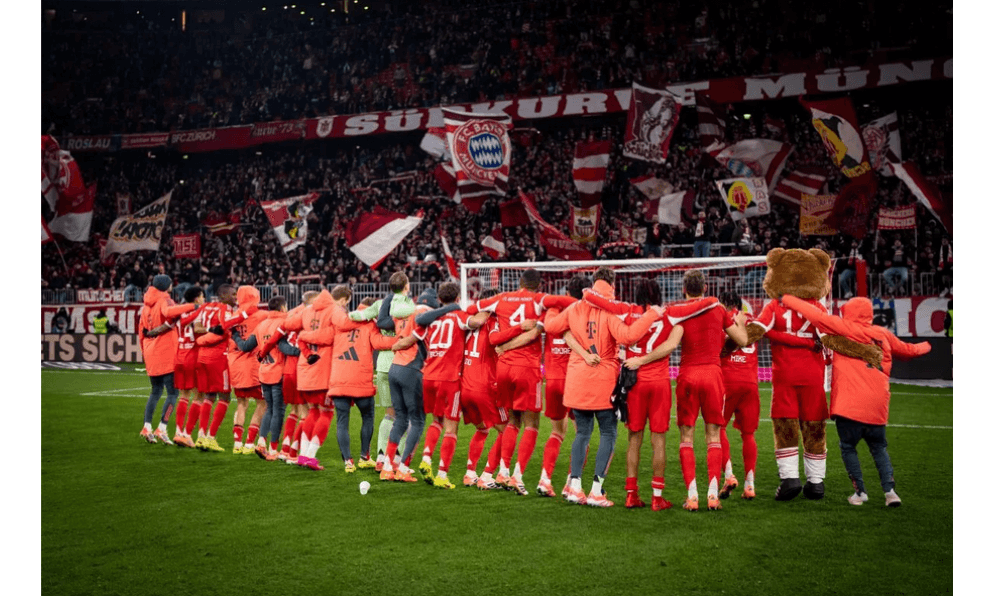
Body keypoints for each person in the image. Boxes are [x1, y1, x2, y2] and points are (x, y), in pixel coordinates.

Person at [781, 294, 931, 507]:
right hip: (878, 406)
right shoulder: (883, 334)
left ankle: (860, 493)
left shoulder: (842, 327)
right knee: (879, 448)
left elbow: (814, 315)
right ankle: (890, 493)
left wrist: (786, 298)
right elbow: (909, 351)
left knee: (848, 447)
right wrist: (927, 345)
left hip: (848, 405)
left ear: (848, 311)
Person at [589, 279, 719, 509]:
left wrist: (588, 292)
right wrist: (703, 297)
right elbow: (709, 302)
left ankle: (631, 495)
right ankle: (657, 498)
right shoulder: (668, 313)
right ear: (658, 294)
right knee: (658, 441)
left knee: (633, 440)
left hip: (634, 384)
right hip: (659, 383)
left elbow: (592, 298)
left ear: (637, 294)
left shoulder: (627, 311)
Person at [545, 266, 665, 507]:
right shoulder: (610, 312)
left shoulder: (574, 307)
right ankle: (596, 491)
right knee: (608, 433)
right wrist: (652, 314)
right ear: (612, 284)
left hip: (577, 379)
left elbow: (551, 328)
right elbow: (629, 336)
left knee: (581, 433)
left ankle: (574, 486)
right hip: (603, 380)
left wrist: (551, 308)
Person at [468, 269, 574, 495]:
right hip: (526, 368)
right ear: (539, 285)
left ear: (520, 282)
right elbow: (559, 308)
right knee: (532, 424)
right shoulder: (539, 300)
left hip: (503, 368)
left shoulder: (502, 298)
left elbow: (471, 309)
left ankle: (502, 472)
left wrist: (502, 343)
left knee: (512, 422)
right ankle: (516, 476)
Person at [652, 269, 747, 511]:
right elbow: (742, 340)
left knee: (686, 437)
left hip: (688, 376)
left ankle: (692, 495)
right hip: (713, 375)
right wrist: (740, 326)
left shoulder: (680, 314)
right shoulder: (717, 309)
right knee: (713, 436)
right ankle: (713, 495)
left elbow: (668, 342)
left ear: (684, 289)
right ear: (705, 288)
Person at [404, 282, 488, 488]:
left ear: (439, 300)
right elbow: (476, 322)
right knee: (451, 427)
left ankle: (425, 458)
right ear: (458, 298)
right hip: (449, 378)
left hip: (429, 375)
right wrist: (488, 310)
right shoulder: (459, 317)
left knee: (436, 421)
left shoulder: (433, 320)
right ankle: (442, 474)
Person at [530, 276, 591, 498]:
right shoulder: (585, 312)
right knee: (581, 434)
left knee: (557, 432)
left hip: (553, 381)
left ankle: (545, 480)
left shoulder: (553, 312)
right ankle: (571, 483)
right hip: (575, 381)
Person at [322, 291, 395, 473]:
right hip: (360, 380)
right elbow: (379, 343)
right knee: (368, 416)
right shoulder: (370, 325)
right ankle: (364, 457)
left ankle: (348, 461)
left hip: (339, 378)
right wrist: (403, 339)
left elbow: (325, 338)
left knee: (342, 421)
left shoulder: (342, 321)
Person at [348, 278, 415, 470]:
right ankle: (396, 459)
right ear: (406, 286)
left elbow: (359, 316)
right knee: (405, 416)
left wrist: (340, 314)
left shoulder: (379, 304)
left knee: (389, 414)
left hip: (383, 365)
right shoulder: (407, 305)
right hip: (402, 363)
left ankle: (379, 457)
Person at [378, 282, 438, 483]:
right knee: (418, 421)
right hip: (412, 369)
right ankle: (403, 468)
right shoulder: (425, 317)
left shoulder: (402, 313)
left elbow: (383, 321)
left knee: (400, 418)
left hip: (394, 367)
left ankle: (388, 466)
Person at [193, 284, 257, 452]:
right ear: (223, 295)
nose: (236, 297)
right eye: (233, 294)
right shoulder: (226, 309)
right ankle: (211, 437)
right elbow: (224, 327)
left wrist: (205, 336)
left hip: (202, 355)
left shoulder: (205, 307)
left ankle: (201, 436)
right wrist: (242, 316)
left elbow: (197, 328)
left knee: (209, 396)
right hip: (218, 356)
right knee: (225, 397)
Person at [138, 275, 198, 444]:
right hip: (167, 353)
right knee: (173, 393)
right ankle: (162, 428)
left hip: (151, 354)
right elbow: (168, 312)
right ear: (166, 286)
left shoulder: (145, 307)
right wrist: (193, 306)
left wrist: (146, 354)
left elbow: (140, 332)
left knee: (155, 392)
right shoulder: (165, 300)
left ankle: (146, 426)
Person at [282, 288, 337, 471]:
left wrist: (303, 335)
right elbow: (329, 336)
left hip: (304, 370)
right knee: (326, 412)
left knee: (312, 412)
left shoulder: (305, 312)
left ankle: (303, 455)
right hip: (323, 370)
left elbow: (288, 324)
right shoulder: (334, 312)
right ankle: (310, 457)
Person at [231, 296, 289, 460]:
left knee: (270, 409)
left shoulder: (261, 325)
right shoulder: (285, 323)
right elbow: (285, 346)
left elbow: (245, 346)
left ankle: (261, 443)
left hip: (263, 373)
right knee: (278, 411)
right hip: (279, 371)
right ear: (283, 308)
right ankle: (273, 449)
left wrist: (234, 335)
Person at [716, 292, 761, 500]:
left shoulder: (722, 321)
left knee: (718, 428)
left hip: (728, 382)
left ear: (725, 304)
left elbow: (719, 349)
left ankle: (728, 475)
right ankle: (750, 485)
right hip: (751, 383)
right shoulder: (751, 322)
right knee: (748, 435)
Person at [228, 286, 270, 455]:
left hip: (235, 365)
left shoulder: (233, 317)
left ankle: (237, 443)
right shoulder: (261, 316)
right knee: (263, 404)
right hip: (254, 366)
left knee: (241, 404)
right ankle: (249, 443)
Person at [172, 286, 206, 448]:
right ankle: (187, 433)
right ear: (197, 298)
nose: (204, 299)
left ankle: (178, 432)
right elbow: (199, 329)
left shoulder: (179, 312)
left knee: (184, 395)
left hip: (179, 356)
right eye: (202, 296)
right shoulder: (197, 312)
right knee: (199, 396)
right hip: (192, 356)